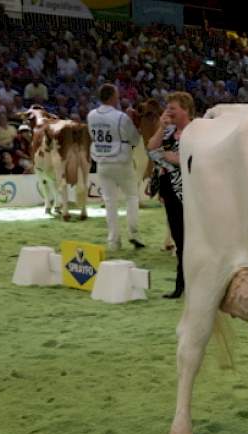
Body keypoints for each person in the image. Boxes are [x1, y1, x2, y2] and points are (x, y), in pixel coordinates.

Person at [88, 83, 144, 251]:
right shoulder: (121, 117)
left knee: (110, 202)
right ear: (112, 97)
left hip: (102, 162)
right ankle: (134, 234)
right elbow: (134, 139)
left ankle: (113, 241)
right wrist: (130, 120)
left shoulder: (91, 115)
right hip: (121, 161)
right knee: (132, 197)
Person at [148, 92, 194, 299]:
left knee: (193, 239)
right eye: (168, 108)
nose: (168, 112)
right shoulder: (168, 131)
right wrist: (160, 128)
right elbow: (151, 149)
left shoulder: (197, 131)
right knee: (180, 238)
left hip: (192, 192)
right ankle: (181, 284)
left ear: (185, 109)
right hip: (170, 189)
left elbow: (191, 159)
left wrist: (168, 158)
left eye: (173, 108)